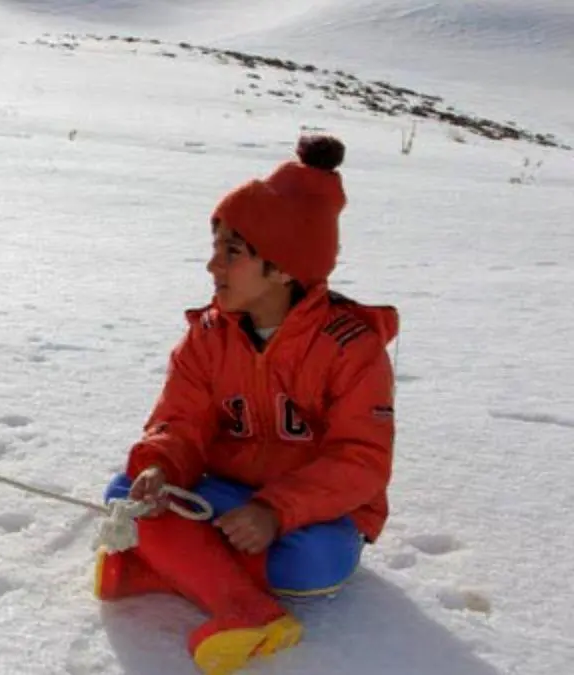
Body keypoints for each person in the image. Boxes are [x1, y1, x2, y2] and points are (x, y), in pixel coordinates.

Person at [93, 135, 398, 675]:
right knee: (127, 491)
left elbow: (362, 462)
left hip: (313, 516)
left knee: (312, 565)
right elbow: (179, 420)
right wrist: (162, 465)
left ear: (283, 268)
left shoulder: (351, 348)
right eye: (215, 246)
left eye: (232, 252)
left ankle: (174, 567)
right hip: (225, 492)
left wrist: (276, 511)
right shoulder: (208, 336)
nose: (213, 266)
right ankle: (244, 607)